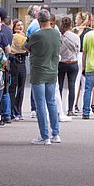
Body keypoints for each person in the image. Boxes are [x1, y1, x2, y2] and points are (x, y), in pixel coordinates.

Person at [25, 9, 61, 145]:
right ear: (50, 20)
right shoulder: (57, 34)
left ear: (39, 21)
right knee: (51, 102)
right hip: (52, 71)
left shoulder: (36, 35)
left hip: (38, 72)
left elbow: (26, 46)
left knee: (40, 104)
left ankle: (44, 136)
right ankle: (56, 134)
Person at [58, 16, 80, 116]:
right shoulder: (75, 36)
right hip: (73, 63)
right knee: (72, 86)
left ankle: (58, 109)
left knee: (60, 86)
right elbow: (78, 50)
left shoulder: (59, 36)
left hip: (61, 63)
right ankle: (70, 110)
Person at [9, 19, 28, 120]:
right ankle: (12, 110)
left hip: (22, 61)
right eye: (18, 25)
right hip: (15, 61)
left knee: (21, 88)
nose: (20, 27)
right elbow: (25, 45)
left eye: (21, 25)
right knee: (13, 87)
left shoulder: (22, 37)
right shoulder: (16, 37)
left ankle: (18, 110)